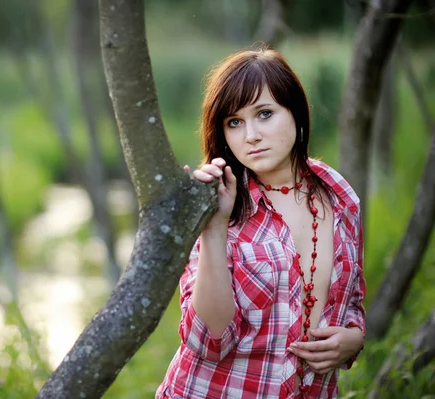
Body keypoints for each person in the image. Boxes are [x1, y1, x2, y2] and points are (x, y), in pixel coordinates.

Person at [156, 48, 366, 399]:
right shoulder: (217, 200)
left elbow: (352, 300)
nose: (250, 135)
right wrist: (214, 227)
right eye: (234, 122)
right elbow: (210, 341)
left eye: (264, 114)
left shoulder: (339, 196)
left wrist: (354, 339)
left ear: (295, 113)